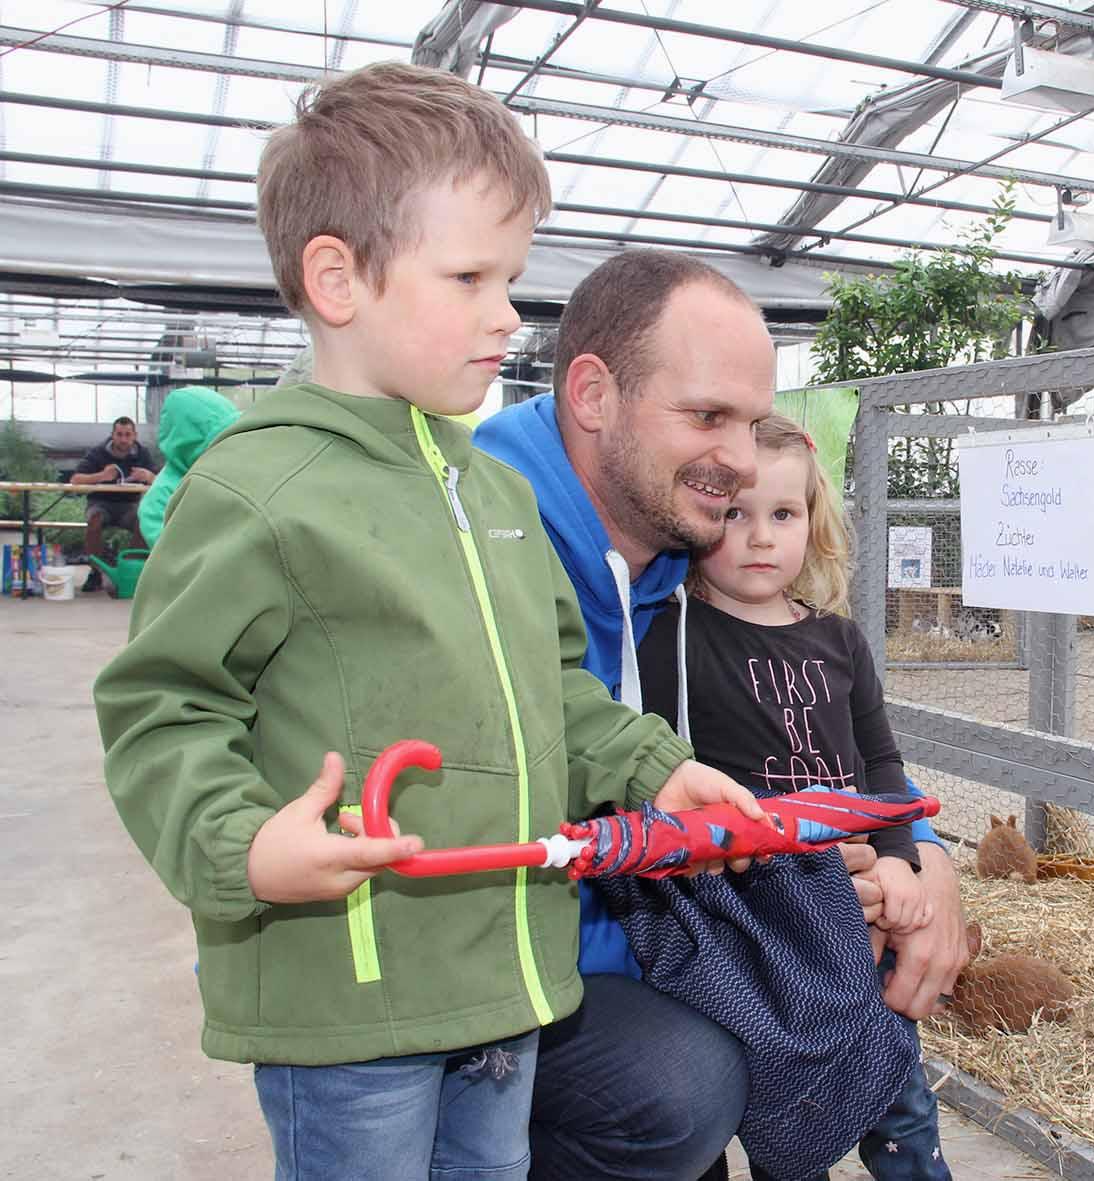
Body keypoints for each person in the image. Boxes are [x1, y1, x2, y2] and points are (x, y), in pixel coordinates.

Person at [92, 62, 761, 1181]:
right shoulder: (260, 487)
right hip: (353, 991)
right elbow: (163, 706)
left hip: (502, 980)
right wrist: (243, 841)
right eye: (470, 277)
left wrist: (651, 767)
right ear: (338, 278)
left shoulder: (488, 490)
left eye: (511, 279)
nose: (507, 315)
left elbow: (555, 682)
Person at [475, 250, 972, 1180]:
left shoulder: (672, 543)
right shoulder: (493, 537)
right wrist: (772, 918)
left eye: (750, 422)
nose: (739, 461)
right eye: (708, 415)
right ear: (592, 393)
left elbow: (858, 751)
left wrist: (925, 863)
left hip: (661, 916)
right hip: (514, 950)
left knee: (731, 1073)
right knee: (690, 1079)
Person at [637, 415, 952, 1180]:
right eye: (736, 514)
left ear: (814, 523)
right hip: (750, 918)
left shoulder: (840, 639)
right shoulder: (671, 633)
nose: (759, 538)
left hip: (852, 908)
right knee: (763, 1095)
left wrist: (903, 861)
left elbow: (880, 763)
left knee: (894, 1088)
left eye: (783, 514)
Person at [138, 386, 240, 548]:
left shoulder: (235, 472)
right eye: (219, 441)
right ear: (188, 444)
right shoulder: (161, 498)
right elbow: (171, 555)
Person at [71, 414, 157, 587]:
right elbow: (75, 479)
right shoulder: (98, 453)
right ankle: (95, 572)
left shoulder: (143, 454)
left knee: (144, 521)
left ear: (134, 436)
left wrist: (149, 476)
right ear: (112, 435)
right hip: (101, 503)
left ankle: (130, 570)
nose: (123, 439)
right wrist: (101, 475)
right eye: (119, 434)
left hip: (129, 506)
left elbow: (162, 481)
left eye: (127, 435)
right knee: (94, 521)